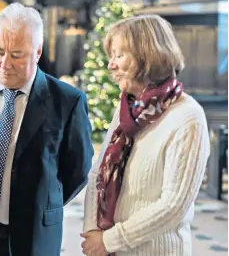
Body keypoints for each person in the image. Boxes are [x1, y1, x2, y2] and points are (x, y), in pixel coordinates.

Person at [0, 3, 94, 256]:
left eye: (16, 54)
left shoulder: (67, 101)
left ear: (37, 52)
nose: (5, 63)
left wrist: (42, 204)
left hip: (31, 239)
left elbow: (78, 171)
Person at [81, 14, 210, 256]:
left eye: (119, 55)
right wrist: (92, 230)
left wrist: (110, 240)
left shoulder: (187, 116)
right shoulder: (128, 109)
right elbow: (98, 172)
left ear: (147, 56)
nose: (111, 65)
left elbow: (173, 206)